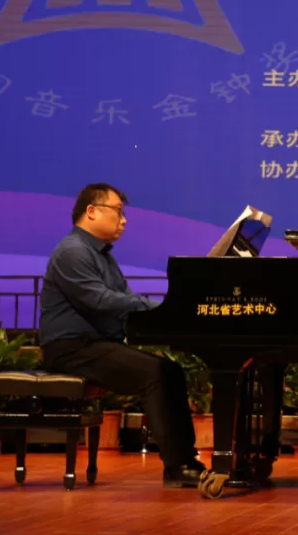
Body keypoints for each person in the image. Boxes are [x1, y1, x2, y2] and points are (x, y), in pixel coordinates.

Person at [38, 183, 207, 487]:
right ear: (91, 211)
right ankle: (177, 465)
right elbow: (100, 300)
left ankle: (187, 459)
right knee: (155, 373)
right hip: (71, 348)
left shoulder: (102, 255)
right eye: (118, 211)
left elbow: (125, 300)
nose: (124, 220)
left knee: (170, 370)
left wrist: (164, 315)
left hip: (95, 345)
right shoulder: (73, 251)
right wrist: (162, 308)